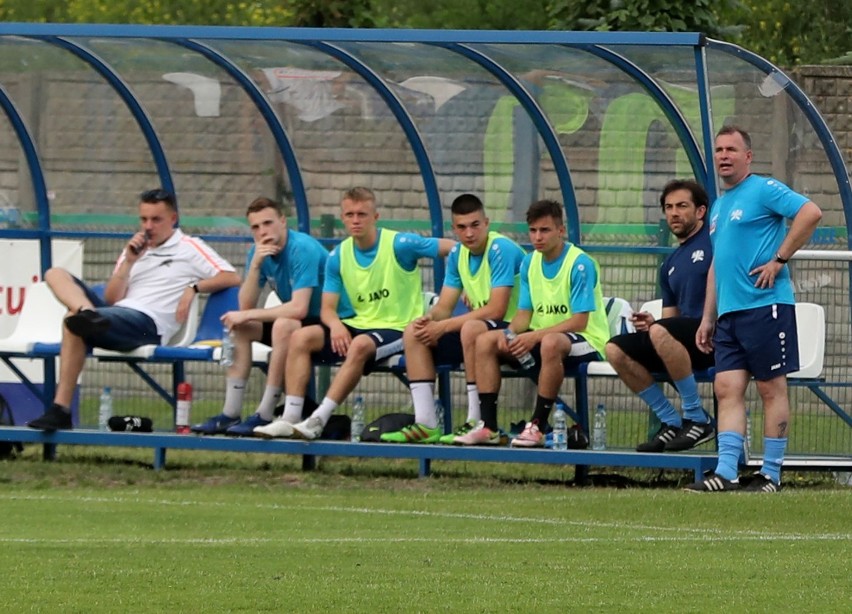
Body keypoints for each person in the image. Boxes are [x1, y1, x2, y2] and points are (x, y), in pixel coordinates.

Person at [27, 188, 241, 431]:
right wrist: (129, 261)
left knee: (72, 320)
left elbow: (232, 277)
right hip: (115, 314)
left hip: (146, 323)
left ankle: (60, 410)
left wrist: (193, 287)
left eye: (156, 220)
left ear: (173, 219)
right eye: (143, 219)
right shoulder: (135, 248)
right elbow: (111, 297)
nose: (148, 226)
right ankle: (86, 313)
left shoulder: (189, 247)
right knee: (54, 274)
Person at [253, 187, 455, 439]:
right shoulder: (338, 255)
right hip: (356, 325)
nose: (356, 220)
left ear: (376, 217)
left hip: (396, 328)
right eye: (349, 215)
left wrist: (463, 281)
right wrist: (336, 325)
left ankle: (318, 419)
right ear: (343, 217)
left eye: (362, 214)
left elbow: (453, 248)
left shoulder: (400, 244)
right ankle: (291, 418)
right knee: (301, 337)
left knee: (359, 344)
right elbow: (327, 308)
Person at [687, 125, 822, 493]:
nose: (724, 156)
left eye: (732, 149)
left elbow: (811, 212)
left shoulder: (763, 189)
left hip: (766, 307)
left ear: (748, 156)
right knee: (727, 388)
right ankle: (727, 471)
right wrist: (708, 316)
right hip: (729, 315)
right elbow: (717, 264)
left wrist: (779, 259)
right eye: (718, 150)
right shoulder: (719, 205)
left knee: (770, 389)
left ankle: (771, 474)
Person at [378, 193, 526, 445]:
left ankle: (475, 420)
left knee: (470, 328)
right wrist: (429, 319)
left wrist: (443, 326)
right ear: (454, 229)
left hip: (516, 334)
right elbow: (445, 306)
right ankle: (425, 424)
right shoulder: (458, 254)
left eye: (475, 225)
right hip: (481, 331)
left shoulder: (501, 249)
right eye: (462, 227)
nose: (469, 233)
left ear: (487, 223)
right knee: (415, 332)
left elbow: (496, 310)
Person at [469, 199, 610, 448]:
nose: (537, 237)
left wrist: (534, 336)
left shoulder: (579, 264)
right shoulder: (529, 262)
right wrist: (510, 332)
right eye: (533, 231)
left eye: (544, 230)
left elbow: (580, 321)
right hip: (545, 337)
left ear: (561, 231)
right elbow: (524, 312)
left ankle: (536, 426)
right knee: (486, 340)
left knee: (550, 343)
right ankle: (489, 427)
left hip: (586, 340)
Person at [190, 197, 329, 436]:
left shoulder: (302, 248)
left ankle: (264, 414)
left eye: (268, 223)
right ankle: (230, 413)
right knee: (241, 328)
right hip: (299, 323)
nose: (263, 231)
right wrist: (255, 266)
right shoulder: (258, 252)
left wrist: (248, 314)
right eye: (256, 227)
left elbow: (299, 308)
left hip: (330, 323)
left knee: (284, 325)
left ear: (283, 221)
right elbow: (245, 306)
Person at [606, 179, 715, 453]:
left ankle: (697, 418)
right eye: (668, 207)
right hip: (684, 340)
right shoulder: (670, 263)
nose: (674, 213)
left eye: (682, 206)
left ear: (700, 211)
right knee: (615, 349)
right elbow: (669, 318)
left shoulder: (715, 243)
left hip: (716, 338)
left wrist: (660, 329)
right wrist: (652, 325)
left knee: (659, 331)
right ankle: (670, 420)